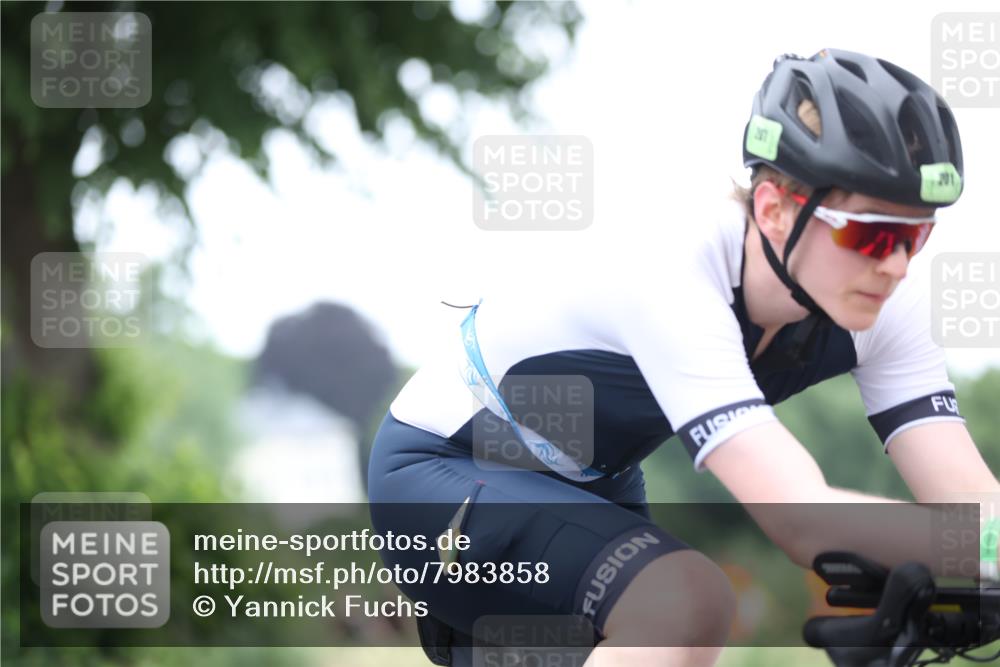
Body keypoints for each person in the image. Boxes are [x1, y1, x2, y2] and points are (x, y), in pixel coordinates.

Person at [367, 48, 1000, 667]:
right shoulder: (676, 270)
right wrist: (979, 553)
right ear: (776, 209)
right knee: (686, 603)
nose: (894, 263)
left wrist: (983, 557)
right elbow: (801, 518)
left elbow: (971, 502)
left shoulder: (891, 302)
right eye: (871, 234)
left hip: (596, 480)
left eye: (916, 236)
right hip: (445, 466)